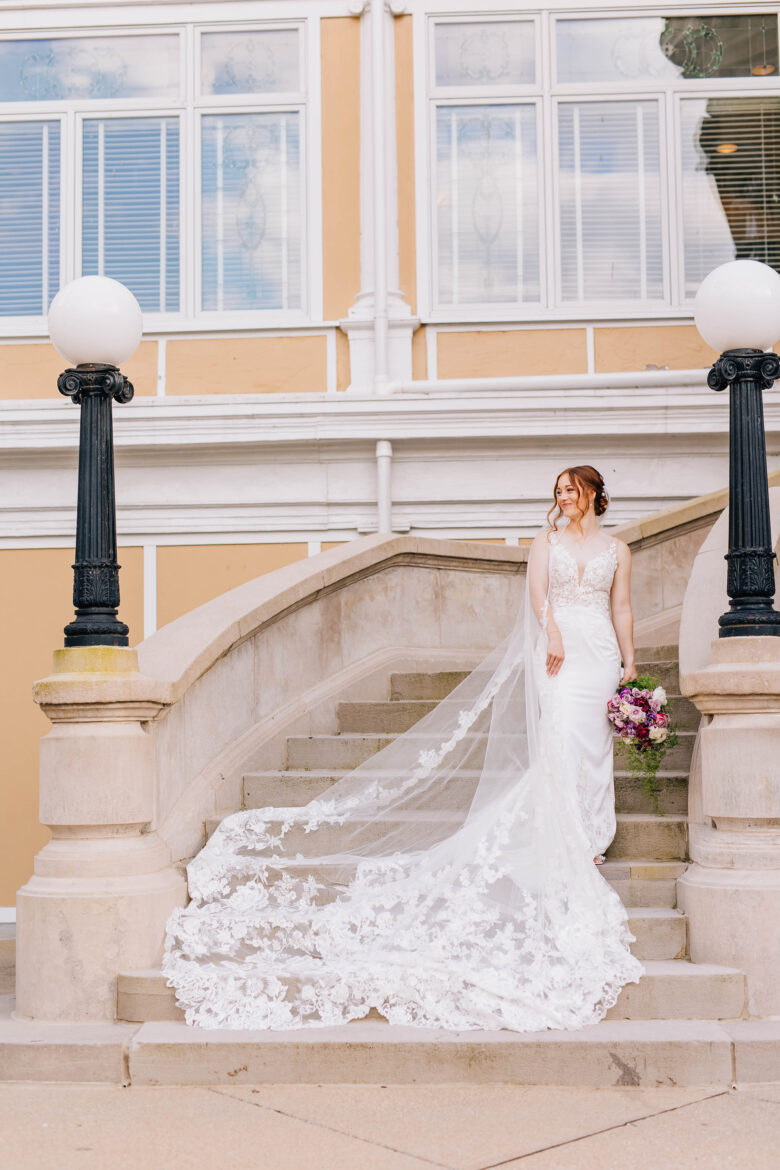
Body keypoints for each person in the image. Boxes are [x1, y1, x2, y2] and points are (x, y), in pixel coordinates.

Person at [164, 465, 644, 1032]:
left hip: (601, 654)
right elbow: (538, 594)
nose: (563, 498)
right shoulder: (545, 541)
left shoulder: (617, 549)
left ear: (592, 495)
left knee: (594, 746)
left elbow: (621, 607)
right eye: (558, 491)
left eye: (571, 490)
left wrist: (630, 661)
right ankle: (563, 833)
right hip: (559, 652)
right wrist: (554, 632)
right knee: (562, 737)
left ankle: (592, 838)